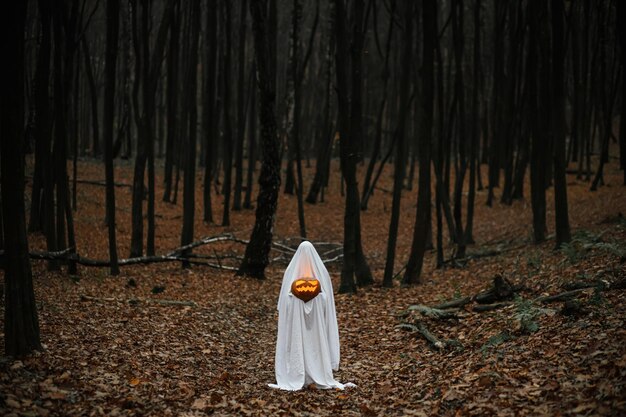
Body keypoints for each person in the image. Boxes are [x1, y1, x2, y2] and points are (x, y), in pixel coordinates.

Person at [268, 241, 354, 390]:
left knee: (315, 341)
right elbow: (285, 301)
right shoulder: (295, 272)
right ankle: (305, 370)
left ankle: (309, 371)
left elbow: (325, 299)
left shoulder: (318, 273)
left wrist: (302, 299)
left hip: (316, 324)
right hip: (306, 322)